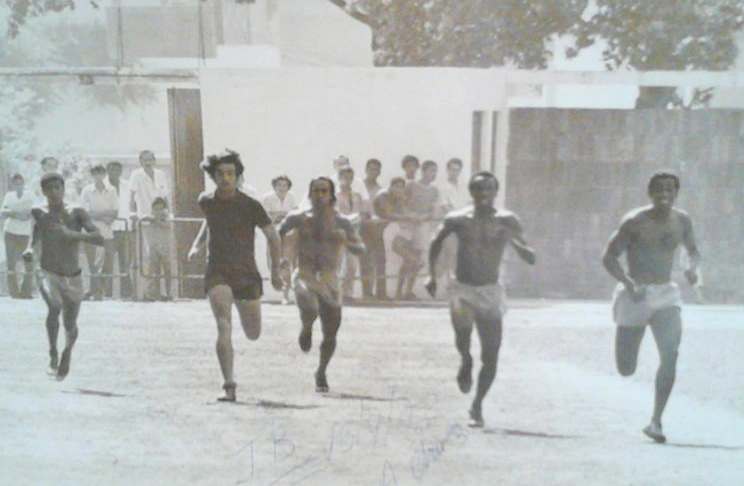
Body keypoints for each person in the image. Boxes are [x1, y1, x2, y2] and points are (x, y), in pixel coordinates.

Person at [425, 171, 536, 428]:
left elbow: (530, 256)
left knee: (491, 353)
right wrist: (431, 276)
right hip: (462, 287)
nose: (483, 195)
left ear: (495, 192)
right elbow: (435, 241)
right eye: (478, 190)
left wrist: (514, 244)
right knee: (463, 334)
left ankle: (477, 405)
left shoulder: (508, 220)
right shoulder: (458, 219)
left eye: (488, 189)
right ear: (471, 193)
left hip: (490, 290)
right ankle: (465, 359)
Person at [602, 171, 700, 443]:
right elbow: (608, 257)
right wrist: (627, 282)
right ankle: (626, 357)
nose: (664, 195)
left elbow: (694, 251)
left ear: (676, 193)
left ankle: (656, 420)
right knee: (626, 367)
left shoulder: (682, 220)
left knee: (671, 353)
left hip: (665, 294)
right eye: (659, 190)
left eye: (669, 189)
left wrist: (692, 269)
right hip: (636, 293)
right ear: (650, 193)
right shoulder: (634, 221)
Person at [187, 150, 282, 402]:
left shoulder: (250, 205)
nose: (226, 178)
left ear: (238, 176)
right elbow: (210, 221)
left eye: (231, 173)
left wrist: (275, 271)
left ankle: (244, 310)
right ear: (213, 176)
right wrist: (197, 245)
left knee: (253, 333)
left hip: (246, 274)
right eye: (220, 174)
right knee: (223, 325)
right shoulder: (206, 200)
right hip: (218, 270)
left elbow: (273, 237)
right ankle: (228, 385)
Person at [278, 177, 365, 393]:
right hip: (305, 273)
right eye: (315, 191)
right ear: (310, 193)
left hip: (330, 277)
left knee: (331, 332)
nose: (319, 195)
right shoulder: (298, 217)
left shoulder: (342, 221)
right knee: (309, 303)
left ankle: (321, 371)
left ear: (331, 195)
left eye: (324, 191)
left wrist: (347, 240)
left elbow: (360, 249)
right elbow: (276, 234)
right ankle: (306, 326)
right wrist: (283, 258)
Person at [23, 172, 104, 380]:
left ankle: (67, 352)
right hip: (48, 272)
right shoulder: (39, 213)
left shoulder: (76, 213)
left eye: (57, 187)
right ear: (43, 192)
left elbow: (98, 238)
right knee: (55, 305)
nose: (54, 192)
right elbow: (34, 238)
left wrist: (72, 235)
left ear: (63, 188)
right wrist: (30, 251)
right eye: (49, 189)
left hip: (73, 276)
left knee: (70, 323)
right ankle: (52, 351)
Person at [395, 160, 441, 300]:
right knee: (405, 256)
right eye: (431, 170)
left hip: (422, 226)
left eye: (435, 171)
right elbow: (401, 203)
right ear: (423, 171)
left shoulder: (434, 190)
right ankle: (398, 291)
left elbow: (433, 211)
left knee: (417, 256)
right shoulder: (411, 185)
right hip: (409, 224)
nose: (433, 174)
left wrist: (424, 217)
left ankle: (408, 291)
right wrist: (410, 215)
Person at [80, 164, 119, 301]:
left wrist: (97, 214)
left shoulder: (112, 190)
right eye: (95, 174)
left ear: (104, 175)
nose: (98, 176)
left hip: (107, 232)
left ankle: (98, 289)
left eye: (101, 173)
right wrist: (103, 215)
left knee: (107, 263)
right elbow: (84, 212)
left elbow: (114, 211)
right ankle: (94, 292)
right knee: (92, 264)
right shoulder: (86, 191)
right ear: (92, 175)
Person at [262, 175, 298, 304]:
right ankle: (276, 287)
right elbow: (266, 218)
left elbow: (293, 216)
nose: (282, 188)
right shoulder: (268, 198)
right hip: (273, 234)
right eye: (279, 185)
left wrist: (279, 215)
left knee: (287, 262)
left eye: (285, 185)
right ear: (274, 187)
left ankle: (286, 295)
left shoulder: (291, 197)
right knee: (273, 262)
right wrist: (280, 215)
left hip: (288, 234)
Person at [336, 166, 369, 303]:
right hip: (338, 232)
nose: (347, 181)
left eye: (350, 178)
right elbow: (334, 213)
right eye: (345, 178)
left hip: (354, 232)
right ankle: (335, 293)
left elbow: (364, 212)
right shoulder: (334, 195)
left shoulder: (357, 195)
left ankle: (348, 293)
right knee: (337, 264)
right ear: (339, 178)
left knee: (352, 264)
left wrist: (359, 217)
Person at [1, 173, 35, 298]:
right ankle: (14, 292)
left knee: (28, 262)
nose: (18, 185)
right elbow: (3, 211)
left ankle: (26, 291)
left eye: (20, 183)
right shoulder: (9, 196)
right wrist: (16, 214)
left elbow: (35, 210)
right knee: (11, 263)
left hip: (25, 233)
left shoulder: (30, 195)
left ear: (23, 183)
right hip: (10, 231)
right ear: (13, 184)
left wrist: (26, 214)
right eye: (16, 183)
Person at [359, 159, 387, 300]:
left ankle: (381, 293)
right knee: (365, 260)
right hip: (362, 228)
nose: (373, 172)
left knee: (381, 260)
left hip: (377, 228)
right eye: (371, 169)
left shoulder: (381, 189)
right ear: (366, 170)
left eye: (376, 169)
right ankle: (367, 293)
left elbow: (383, 210)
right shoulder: (359, 186)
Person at [105, 160, 133, 299]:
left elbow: (131, 205)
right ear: (107, 170)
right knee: (107, 262)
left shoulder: (127, 185)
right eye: (111, 169)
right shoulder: (101, 185)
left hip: (124, 228)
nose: (114, 172)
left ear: (120, 171)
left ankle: (126, 293)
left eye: (117, 170)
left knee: (125, 262)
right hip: (107, 229)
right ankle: (107, 293)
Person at [438, 158, 469, 280]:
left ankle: (460, 287)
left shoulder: (465, 185)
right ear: (447, 170)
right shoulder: (442, 187)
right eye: (452, 169)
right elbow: (445, 207)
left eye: (457, 170)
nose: (454, 172)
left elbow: (469, 204)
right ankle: (448, 286)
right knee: (450, 254)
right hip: (451, 226)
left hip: (465, 225)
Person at [141, 197, 174, 302]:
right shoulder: (151, 217)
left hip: (166, 247)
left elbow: (167, 225)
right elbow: (143, 220)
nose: (158, 211)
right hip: (154, 247)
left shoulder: (168, 216)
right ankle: (156, 293)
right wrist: (150, 218)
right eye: (156, 209)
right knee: (155, 271)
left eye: (160, 209)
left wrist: (157, 220)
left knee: (167, 271)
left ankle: (169, 293)